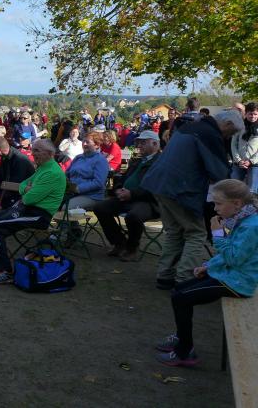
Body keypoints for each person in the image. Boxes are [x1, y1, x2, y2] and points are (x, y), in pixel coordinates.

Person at [155, 179, 258, 367]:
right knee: (179, 290)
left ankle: (185, 352)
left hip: (239, 283)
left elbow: (233, 258)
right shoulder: (241, 219)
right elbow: (229, 254)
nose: (215, 208)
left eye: (218, 203)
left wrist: (218, 234)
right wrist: (208, 266)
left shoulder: (250, 226)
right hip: (228, 274)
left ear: (236, 203)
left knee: (181, 298)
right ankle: (182, 336)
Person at [143, 109, 241, 288]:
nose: (229, 137)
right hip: (179, 189)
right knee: (196, 233)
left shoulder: (191, 127)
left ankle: (165, 275)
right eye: (232, 132)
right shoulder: (209, 134)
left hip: (158, 183)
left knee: (174, 231)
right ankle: (185, 278)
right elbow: (219, 172)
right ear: (227, 124)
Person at [0, 139, 66, 285]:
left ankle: (4, 271)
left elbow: (28, 199)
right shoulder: (43, 168)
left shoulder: (52, 172)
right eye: (33, 150)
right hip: (26, 209)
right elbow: (22, 185)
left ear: (49, 153)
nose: (33, 154)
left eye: (37, 151)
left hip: (38, 215)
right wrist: (27, 188)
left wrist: (27, 190)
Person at [93, 131, 161, 261]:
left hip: (149, 201)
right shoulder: (137, 160)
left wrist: (132, 194)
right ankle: (119, 242)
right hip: (127, 197)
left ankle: (132, 248)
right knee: (100, 208)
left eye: (143, 142)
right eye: (138, 142)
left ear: (155, 144)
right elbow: (123, 177)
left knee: (133, 216)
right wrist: (118, 189)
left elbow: (155, 187)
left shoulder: (161, 162)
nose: (139, 145)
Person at [0, 136, 35, 210]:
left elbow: (13, 186)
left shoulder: (20, 160)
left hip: (23, 199)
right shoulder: (5, 156)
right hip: (10, 195)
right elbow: (0, 178)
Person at [230, 102, 258, 193]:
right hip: (239, 163)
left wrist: (251, 161)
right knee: (233, 188)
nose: (253, 116)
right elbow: (233, 144)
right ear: (246, 114)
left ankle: (250, 202)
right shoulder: (239, 126)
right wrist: (238, 160)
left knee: (252, 191)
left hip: (254, 164)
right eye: (250, 114)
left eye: (255, 114)